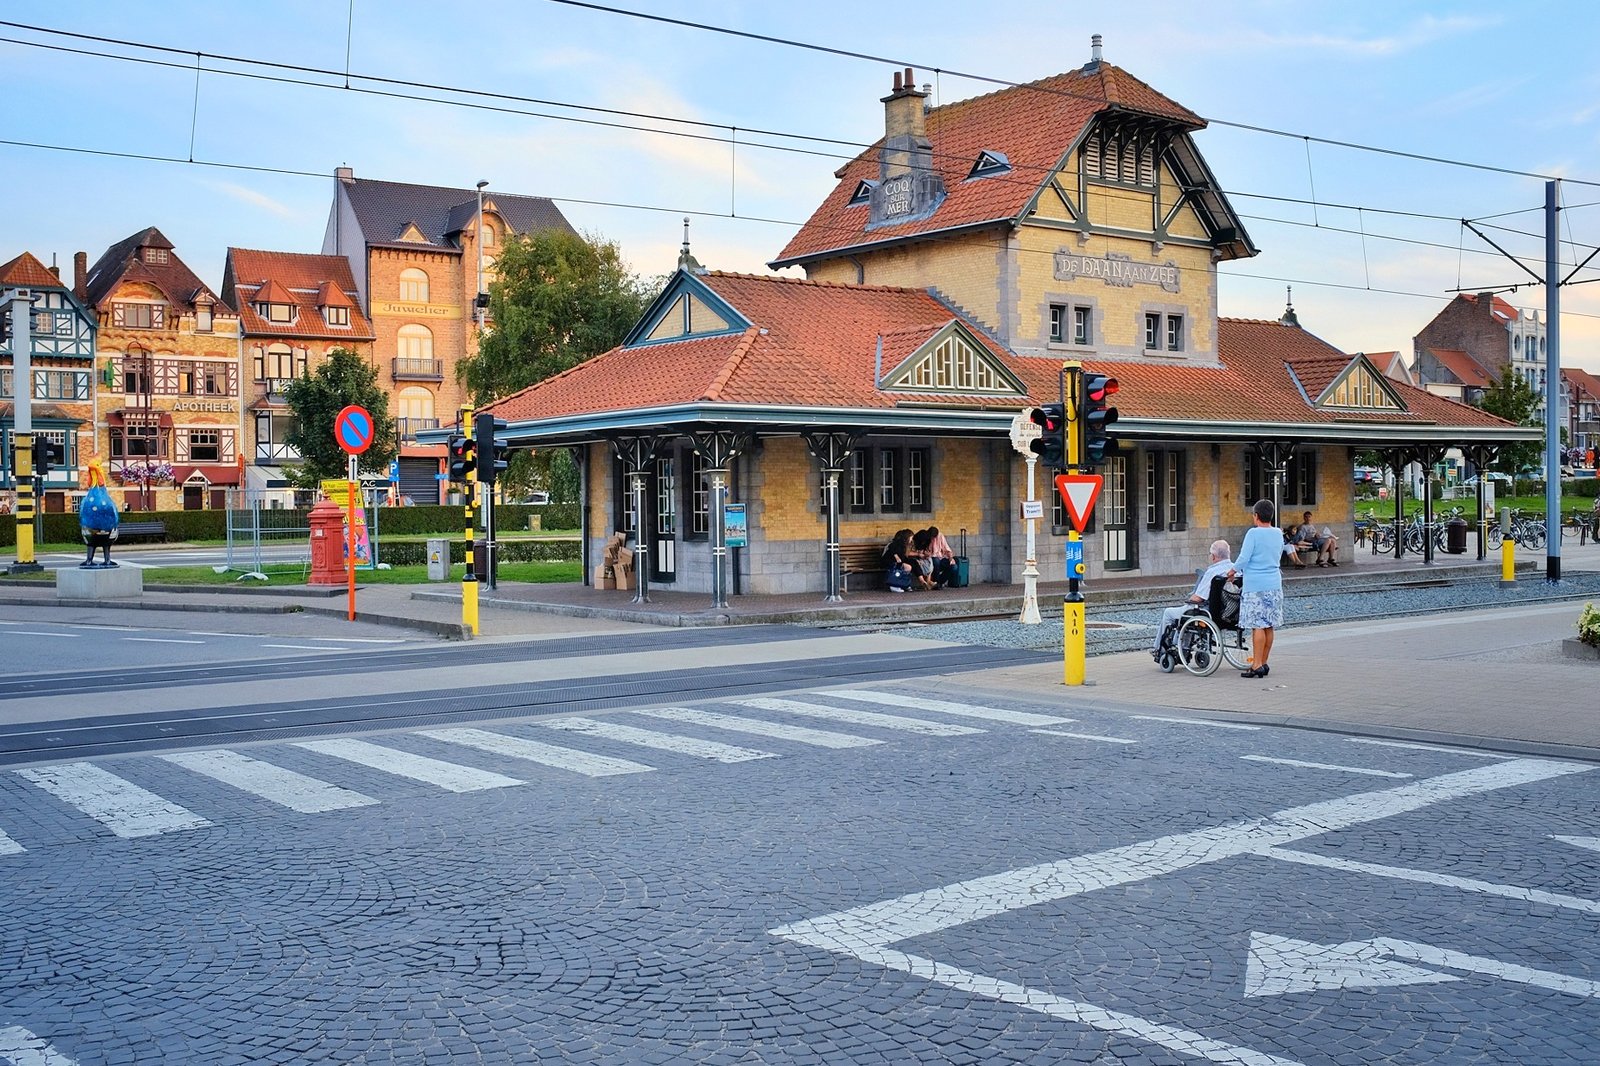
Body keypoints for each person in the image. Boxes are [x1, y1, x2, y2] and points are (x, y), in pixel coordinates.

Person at [1151, 540, 1233, 658]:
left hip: (1210, 613)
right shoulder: (1236, 571)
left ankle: (1159, 649)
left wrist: (1190, 599)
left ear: (1214, 556)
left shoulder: (1213, 572)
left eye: (1210, 554)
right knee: (1188, 614)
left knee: (1170, 613)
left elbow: (1198, 598)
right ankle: (1181, 647)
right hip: (1229, 613)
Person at [1233, 498, 1285, 679]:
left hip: (1255, 585)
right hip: (1274, 584)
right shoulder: (1278, 533)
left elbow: (1243, 558)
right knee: (1269, 625)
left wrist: (1232, 571)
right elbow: (1278, 554)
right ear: (1271, 515)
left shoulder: (1253, 534)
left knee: (1257, 626)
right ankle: (1263, 662)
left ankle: (1256, 665)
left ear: (1256, 516)